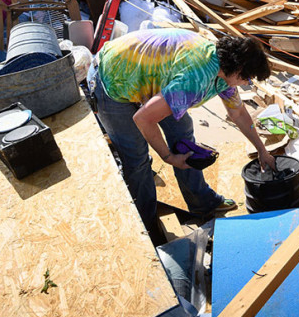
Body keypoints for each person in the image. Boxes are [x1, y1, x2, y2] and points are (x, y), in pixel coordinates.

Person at [92, 28, 273, 243]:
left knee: (183, 134)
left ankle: (203, 203)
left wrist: (262, 150)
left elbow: (239, 113)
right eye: (248, 78)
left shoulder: (224, 73)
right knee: (137, 159)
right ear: (238, 69)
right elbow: (143, 119)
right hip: (113, 79)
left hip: (149, 75)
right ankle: (147, 228)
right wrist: (168, 157)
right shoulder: (195, 79)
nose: (247, 84)